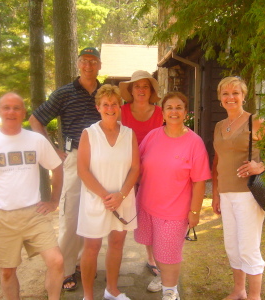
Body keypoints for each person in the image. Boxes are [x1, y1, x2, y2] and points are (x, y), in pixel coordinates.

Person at [0, 92, 64, 300]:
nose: (11, 112)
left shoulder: (36, 140)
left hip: (33, 214)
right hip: (1, 218)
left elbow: (57, 167)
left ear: (24, 113)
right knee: (7, 271)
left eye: (16, 108)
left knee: (56, 261)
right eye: (6, 107)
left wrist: (54, 201)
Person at [29, 47, 102, 291]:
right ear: (78, 64)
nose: (88, 66)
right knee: (70, 215)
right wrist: (51, 150)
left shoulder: (106, 93)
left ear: (100, 65)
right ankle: (65, 269)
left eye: (93, 61)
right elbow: (35, 120)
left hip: (100, 160)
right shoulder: (64, 93)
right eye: (84, 61)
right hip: (72, 158)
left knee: (92, 213)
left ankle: (83, 262)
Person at [134, 92, 211, 300]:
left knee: (169, 254)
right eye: (169, 107)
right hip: (147, 205)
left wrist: (194, 211)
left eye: (179, 107)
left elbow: (199, 181)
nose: (174, 111)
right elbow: (137, 166)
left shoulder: (194, 143)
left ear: (186, 112)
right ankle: (163, 278)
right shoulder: (152, 136)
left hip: (174, 211)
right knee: (156, 250)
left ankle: (171, 291)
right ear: (163, 112)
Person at [77, 84, 140, 300]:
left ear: (120, 106)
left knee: (116, 243)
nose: (110, 108)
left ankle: (111, 290)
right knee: (91, 246)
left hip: (122, 199)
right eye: (106, 104)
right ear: (98, 107)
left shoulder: (129, 134)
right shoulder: (89, 134)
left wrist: (120, 195)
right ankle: (88, 296)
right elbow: (82, 170)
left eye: (114, 104)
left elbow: (135, 168)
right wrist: (106, 196)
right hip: (96, 200)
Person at [212, 77, 265, 300]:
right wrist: (215, 194)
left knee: (248, 247)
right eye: (225, 93)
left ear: (244, 96)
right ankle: (239, 291)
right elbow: (217, 162)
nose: (230, 97)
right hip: (226, 193)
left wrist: (259, 166)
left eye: (235, 93)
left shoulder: (256, 122)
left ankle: (255, 296)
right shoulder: (218, 126)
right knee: (232, 246)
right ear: (220, 98)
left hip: (248, 194)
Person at [118, 70, 163, 279]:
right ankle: (114, 260)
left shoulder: (161, 112)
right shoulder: (120, 111)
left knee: (151, 214)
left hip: (154, 171)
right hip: (126, 170)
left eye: (145, 86)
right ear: (131, 90)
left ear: (151, 90)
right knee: (120, 217)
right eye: (137, 86)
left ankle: (152, 259)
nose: (141, 90)